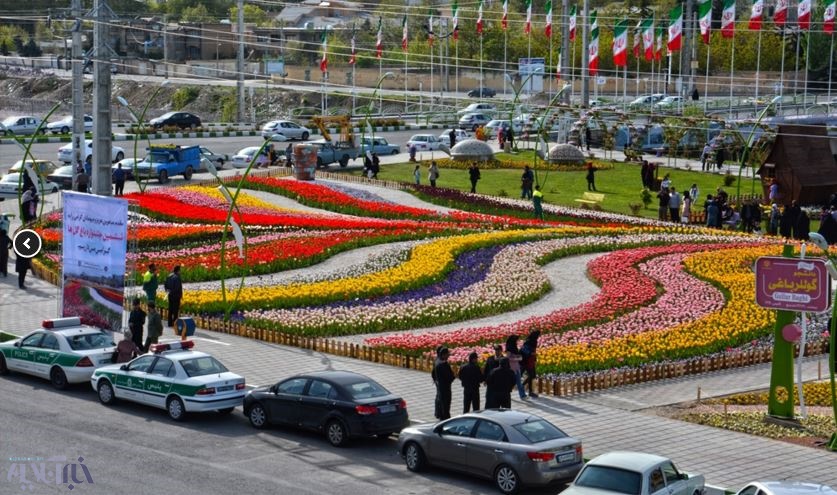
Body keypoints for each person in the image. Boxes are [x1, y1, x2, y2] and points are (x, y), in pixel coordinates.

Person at [431, 347, 455, 420]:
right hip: (445, 387)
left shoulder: (437, 361)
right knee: (445, 403)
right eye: (447, 354)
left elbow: (433, 373)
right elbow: (450, 376)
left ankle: (439, 413)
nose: (448, 356)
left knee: (439, 400)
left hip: (439, 385)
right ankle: (445, 418)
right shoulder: (443, 364)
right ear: (443, 355)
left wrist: (436, 380)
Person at [505, 335, 527, 400]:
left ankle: (522, 395)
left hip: (517, 367)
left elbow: (520, 358)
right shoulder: (509, 349)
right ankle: (506, 393)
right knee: (512, 382)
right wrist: (517, 358)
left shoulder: (514, 347)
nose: (517, 342)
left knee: (519, 382)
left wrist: (518, 358)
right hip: (512, 369)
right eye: (516, 340)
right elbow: (508, 358)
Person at [520, 331, 540, 398]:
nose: (538, 337)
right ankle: (511, 388)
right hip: (525, 361)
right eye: (538, 335)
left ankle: (529, 391)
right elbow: (523, 350)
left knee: (532, 376)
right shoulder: (529, 341)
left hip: (531, 362)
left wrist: (534, 359)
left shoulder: (534, 341)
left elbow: (534, 351)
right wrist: (530, 353)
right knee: (519, 376)